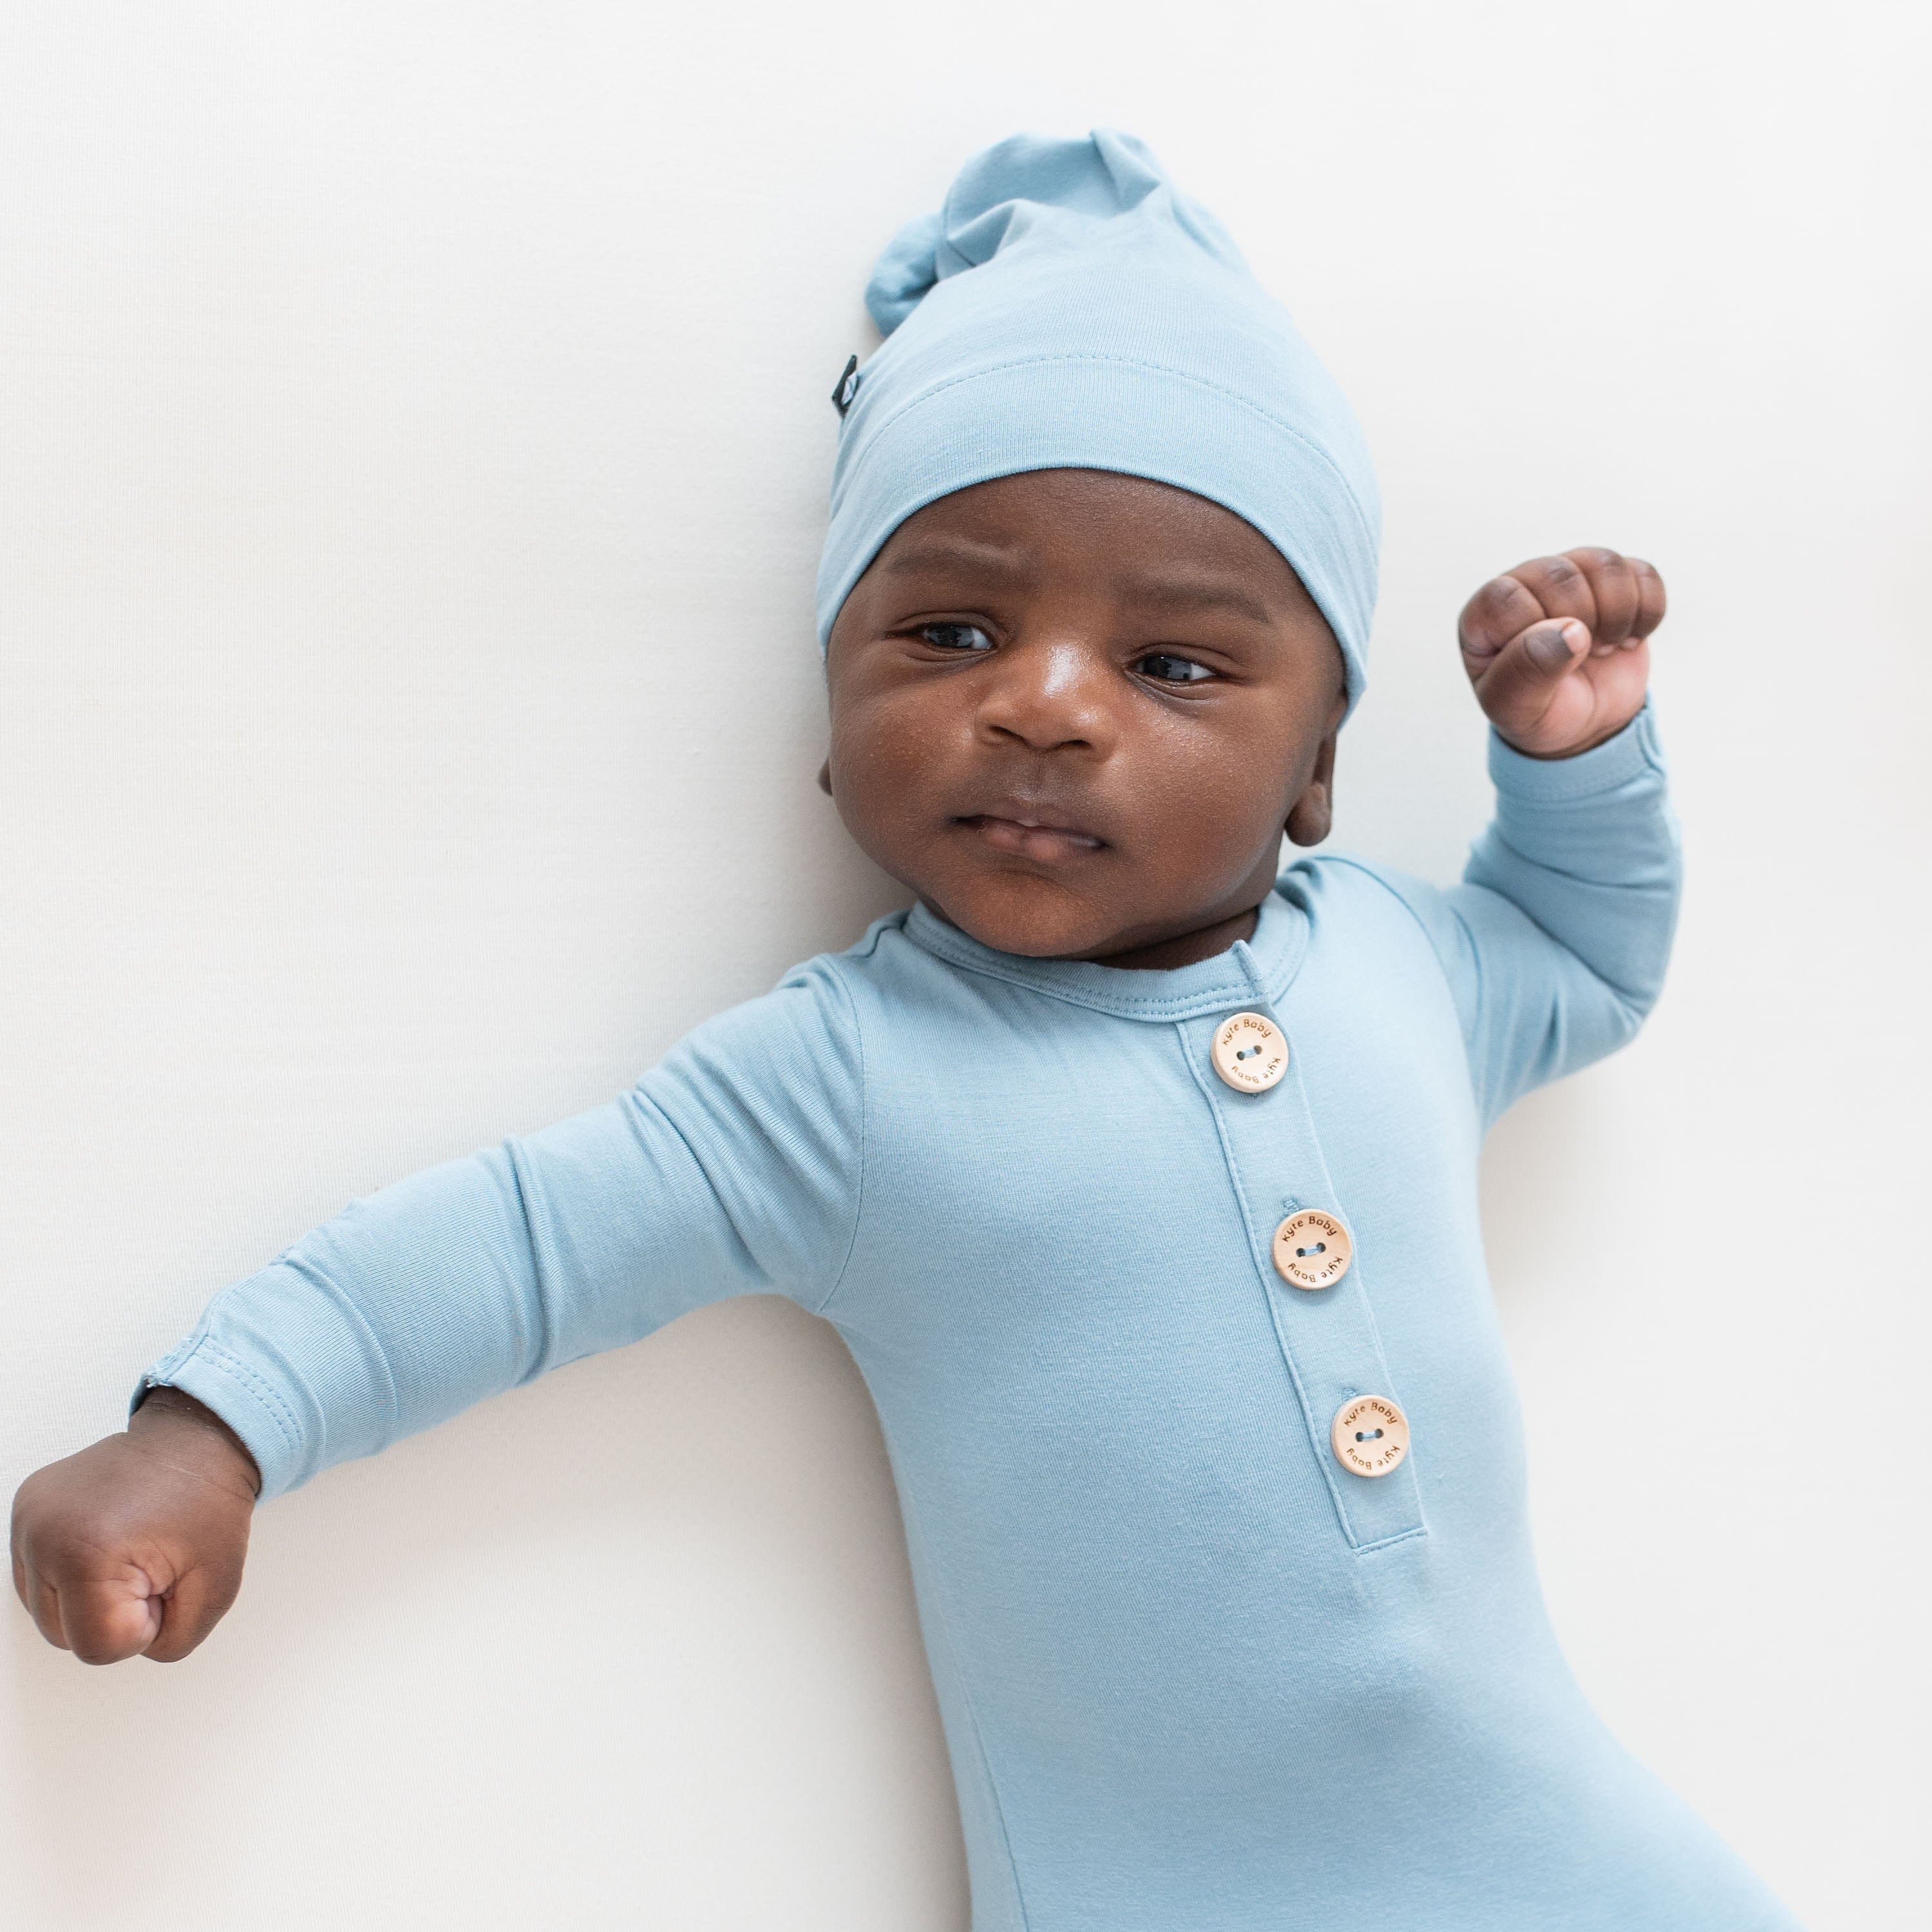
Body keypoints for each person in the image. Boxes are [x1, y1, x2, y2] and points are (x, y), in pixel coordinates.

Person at [10, 131, 1800, 1929]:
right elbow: (518, 1245)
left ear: (1319, 766)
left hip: (1548, 1840)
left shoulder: (1401, 965)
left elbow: (1584, 961)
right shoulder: (848, 1084)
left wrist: (1574, 758)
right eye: (949, 630)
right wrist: (213, 1429)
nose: (1041, 705)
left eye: (1175, 665)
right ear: (830, 708)